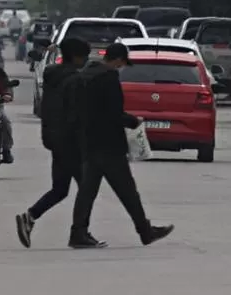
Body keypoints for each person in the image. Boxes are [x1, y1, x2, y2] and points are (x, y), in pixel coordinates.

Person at [69, 42, 174, 249]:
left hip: (89, 142)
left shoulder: (84, 76)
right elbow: (113, 113)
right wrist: (133, 121)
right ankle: (145, 232)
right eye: (122, 63)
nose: (122, 67)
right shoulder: (108, 78)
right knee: (128, 191)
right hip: (109, 145)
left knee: (87, 192)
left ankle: (78, 233)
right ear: (117, 59)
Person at [15, 38, 100, 248]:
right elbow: (77, 114)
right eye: (84, 56)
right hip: (71, 142)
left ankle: (30, 216)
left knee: (61, 188)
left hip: (55, 139)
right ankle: (79, 233)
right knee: (87, 187)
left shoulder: (53, 76)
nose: (86, 60)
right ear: (76, 56)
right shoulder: (74, 80)